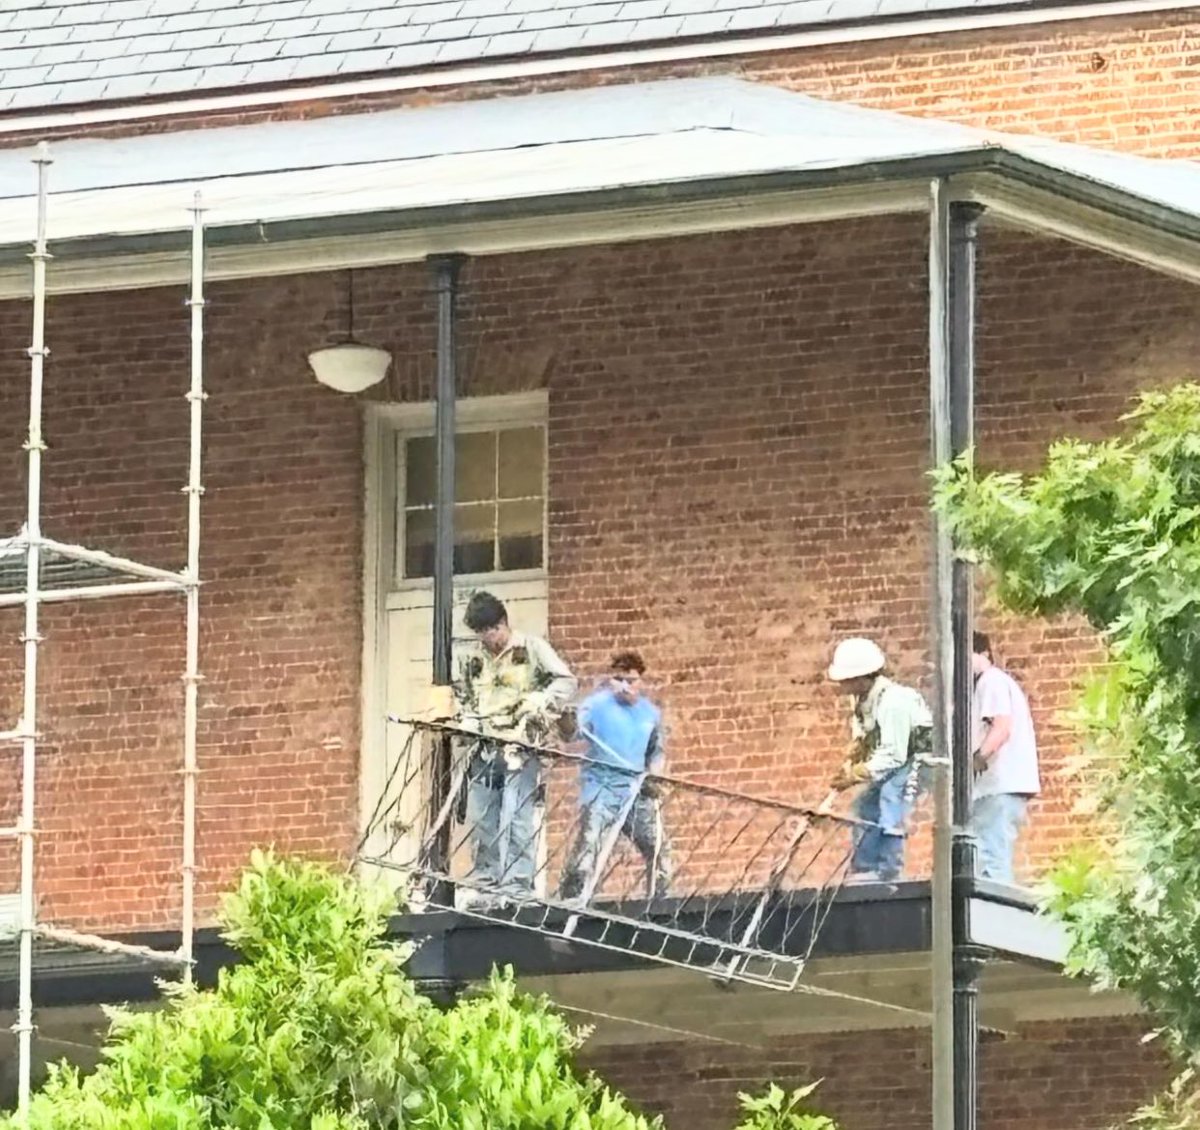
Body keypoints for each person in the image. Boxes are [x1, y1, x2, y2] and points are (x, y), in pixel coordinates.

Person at [453, 591, 576, 901]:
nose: (487, 638)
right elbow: (465, 696)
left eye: (491, 630)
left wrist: (541, 699)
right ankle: (487, 882)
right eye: (481, 632)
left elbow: (566, 682)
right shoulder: (473, 658)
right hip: (485, 745)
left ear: (503, 623)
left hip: (521, 746)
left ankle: (517, 886)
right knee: (483, 818)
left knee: (515, 816)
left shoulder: (532, 648)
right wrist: (466, 720)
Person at [559, 650, 672, 902]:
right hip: (602, 788)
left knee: (659, 850)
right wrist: (564, 720)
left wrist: (653, 778)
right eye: (618, 679)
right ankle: (572, 901)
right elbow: (571, 734)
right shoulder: (596, 706)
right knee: (588, 848)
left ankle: (659, 904)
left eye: (630, 681)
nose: (623, 686)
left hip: (636, 790)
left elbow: (656, 752)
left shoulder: (650, 714)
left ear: (640, 682)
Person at [827, 637, 933, 883]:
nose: (843, 685)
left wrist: (858, 774)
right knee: (864, 806)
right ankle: (865, 867)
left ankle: (889, 868)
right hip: (896, 760)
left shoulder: (894, 701)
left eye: (847, 680)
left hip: (919, 759)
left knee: (890, 797)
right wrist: (851, 761)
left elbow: (893, 754)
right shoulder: (863, 702)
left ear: (863, 677)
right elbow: (863, 739)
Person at [971, 631, 1040, 883]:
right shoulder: (996, 683)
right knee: (990, 854)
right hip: (1003, 785)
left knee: (991, 859)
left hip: (997, 785)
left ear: (984, 654)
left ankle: (992, 918)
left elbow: (1001, 726)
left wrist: (978, 758)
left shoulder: (991, 681)